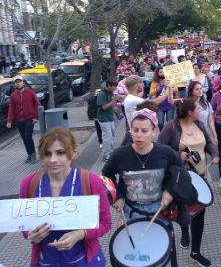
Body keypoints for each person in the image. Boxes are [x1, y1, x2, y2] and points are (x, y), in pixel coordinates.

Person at [102, 108, 185, 267]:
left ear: (154, 131)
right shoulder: (120, 154)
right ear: (130, 130)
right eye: (135, 130)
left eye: (144, 130)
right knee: (136, 254)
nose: (139, 135)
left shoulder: (166, 153)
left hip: (160, 211)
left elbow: (180, 173)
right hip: (131, 212)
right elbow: (107, 175)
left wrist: (170, 191)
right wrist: (117, 196)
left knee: (160, 253)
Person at [20, 127, 112, 266]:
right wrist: (31, 234)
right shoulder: (29, 184)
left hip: (83, 260)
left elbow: (105, 222)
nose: (53, 159)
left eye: (60, 153)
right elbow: (23, 224)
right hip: (45, 260)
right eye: (47, 154)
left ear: (73, 153)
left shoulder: (91, 181)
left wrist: (81, 234)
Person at [158, 98, 219, 267]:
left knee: (199, 214)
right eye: (198, 109)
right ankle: (184, 232)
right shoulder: (171, 126)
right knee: (183, 212)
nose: (201, 111)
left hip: (200, 177)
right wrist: (179, 155)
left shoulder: (199, 124)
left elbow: (209, 144)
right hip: (180, 180)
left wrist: (215, 154)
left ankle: (196, 252)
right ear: (190, 112)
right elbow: (159, 149)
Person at [7, 75, 41, 163]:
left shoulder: (30, 93)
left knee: (28, 137)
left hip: (29, 118)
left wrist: (36, 117)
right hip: (19, 120)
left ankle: (33, 155)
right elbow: (11, 109)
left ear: (23, 82)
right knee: (24, 138)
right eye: (16, 82)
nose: (18, 83)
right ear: (15, 84)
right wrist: (9, 121)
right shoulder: (13, 96)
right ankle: (29, 155)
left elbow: (38, 105)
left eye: (19, 81)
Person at [97, 80, 125, 161]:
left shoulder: (110, 93)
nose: (115, 88)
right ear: (108, 85)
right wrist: (114, 100)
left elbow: (110, 106)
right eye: (114, 86)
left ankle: (110, 152)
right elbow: (104, 107)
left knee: (112, 135)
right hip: (103, 118)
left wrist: (116, 113)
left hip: (110, 117)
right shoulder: (101, 94)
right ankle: (105, 154)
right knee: (107, 137)